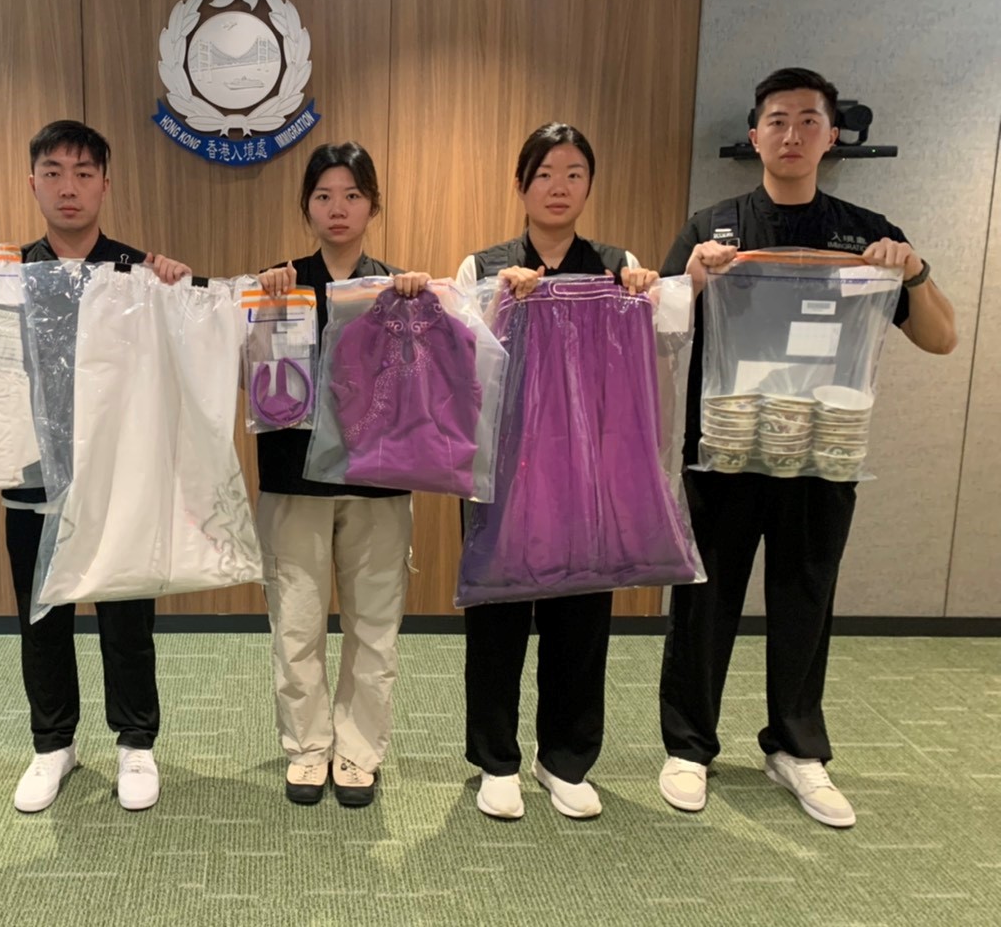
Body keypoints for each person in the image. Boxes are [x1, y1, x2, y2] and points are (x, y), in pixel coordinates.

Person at [657, 68, 957, 829]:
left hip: (822, 452)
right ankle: (689, 746)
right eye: (778, 121)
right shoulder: (714, 227)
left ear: (831, 137)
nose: (792, 135)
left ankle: (795, 748)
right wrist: (692, 279)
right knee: (704, 601)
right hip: (724, 450)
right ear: (755, 136)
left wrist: (913, 270)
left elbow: (941, 337)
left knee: (805, 599)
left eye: (808, 121)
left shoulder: (866, 234)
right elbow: (654, 332)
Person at [454, 122, 659, 820]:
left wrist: (644, 294)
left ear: (589, 186)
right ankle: (497, 759)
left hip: (587, 466)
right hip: (503, 466)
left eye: (574, 174)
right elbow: (462, 363)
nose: (559, 187)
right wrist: (499, 300)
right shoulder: (483, 265)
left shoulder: (617, 266)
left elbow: (646, 359)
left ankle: (565, 759)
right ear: (521, 185)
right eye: (544, 174)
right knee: (498, 613)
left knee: (582, 615)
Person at [3, 120, 191, 814]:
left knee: (126, 615)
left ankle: (136, 741)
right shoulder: (6, 275)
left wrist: (180, 290)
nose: (69, 187)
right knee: (42, 616)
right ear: (33, 183)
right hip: (32, 475)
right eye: (53, 172)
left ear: (106, 185)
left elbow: (187, 349)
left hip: (119, 477)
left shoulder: (139, 273)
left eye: (84, 173)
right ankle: (53, 743)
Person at [255, 141, 430, 808]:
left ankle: (357, 751)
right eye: (324, 195)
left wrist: (423, 304)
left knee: (373, 626)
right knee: (296, 624)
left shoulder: (400, 287)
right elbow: (253, 382)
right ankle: (307, 747)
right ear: (306, 206)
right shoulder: (279, 287)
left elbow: (428, 382)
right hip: (293, 478)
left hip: (378, 479)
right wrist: (259, 304)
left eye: (352, 195)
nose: (338, 208)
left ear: (372, 206)